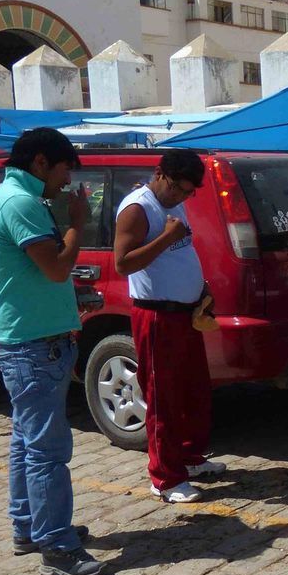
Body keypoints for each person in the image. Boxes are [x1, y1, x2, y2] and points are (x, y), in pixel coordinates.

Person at [0, 128, 103, 575]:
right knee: (47, 450)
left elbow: (35, 276)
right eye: (64, 167)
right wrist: (77, 222)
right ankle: (56, 547)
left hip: (32, 341)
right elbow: (54, 268)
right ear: (39, 163)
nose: (67, 177)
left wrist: (72, 302)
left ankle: (30, 528)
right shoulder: (20, 203)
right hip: (32, 347)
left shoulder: (16, 198)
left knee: (27, 442)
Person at [114, 149, 223, 503]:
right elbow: (123, 263)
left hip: (185, 311)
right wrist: (166, 238)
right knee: (163, 396)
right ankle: (165, 477)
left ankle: (189, 458)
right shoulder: (138, 208)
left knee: (193, 389)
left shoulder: (175, 205)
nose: (181, 196)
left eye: (188, 192)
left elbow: (182, 252)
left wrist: (200, 285)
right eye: (177, 188)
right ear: (159, 174)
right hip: (157, 314)